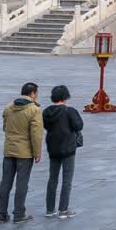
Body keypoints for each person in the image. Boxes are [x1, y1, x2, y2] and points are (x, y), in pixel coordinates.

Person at [0, 82, 43, 223]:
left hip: (9, 150)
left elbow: (5, 127)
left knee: (5, 182)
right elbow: (36, 134)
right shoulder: (34, 110)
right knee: (22, 184)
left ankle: (1, 214)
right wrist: (37, 153)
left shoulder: (9, 107)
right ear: (33, 94)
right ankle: (19, 214)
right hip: (25, 153)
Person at [42, 85, 83, 219]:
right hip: (68, 148)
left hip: (53, 148)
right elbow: (79, 125)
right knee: (67, 179)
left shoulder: (46, 112)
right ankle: (63, 210)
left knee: (52, 178)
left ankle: (49, 209)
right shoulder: (69, 111)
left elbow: (47, 126)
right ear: (66, 97)